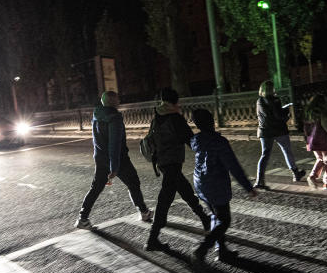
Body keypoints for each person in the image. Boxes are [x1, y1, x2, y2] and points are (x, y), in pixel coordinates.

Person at [145, 87, 213, 251]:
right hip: (172, 161)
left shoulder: (157, 116)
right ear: (175, 101)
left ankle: (205, 219)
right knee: (165, 200)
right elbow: (191, 140)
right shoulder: (174, 117)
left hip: (162, 161)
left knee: (185, 190)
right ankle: (152, 238)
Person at [75, 90, 153, 229]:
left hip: (100, 158)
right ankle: (144, 212)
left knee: (96, 187)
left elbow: (96, 141)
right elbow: (114, 144)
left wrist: (102, 159)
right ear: (112, 101)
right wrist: (114, 168)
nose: (119, 101)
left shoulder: (97, 115)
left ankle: (83, 218)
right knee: (133, 182)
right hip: (118, 159)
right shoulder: (114, 118)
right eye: (117, 99)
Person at [190, 109, 256, 263]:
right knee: (224, 220)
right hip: (216, 184)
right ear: (211, 122)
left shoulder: (197, 140)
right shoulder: (219, 142)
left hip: (201, 183)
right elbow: (233, 166)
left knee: (216, 217)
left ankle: (222, 251)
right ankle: (202, 248)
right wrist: (248, 187)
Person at [254, 80, 305, 189]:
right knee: (287, 151)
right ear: (271, 89)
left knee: (265, 155)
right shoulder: (275, 100)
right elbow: (278, 115)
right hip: (279, 130)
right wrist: (287, 113)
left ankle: (259, 180)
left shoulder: (259, 101)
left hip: (265, 131)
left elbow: (267, 115)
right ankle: (295, 173)